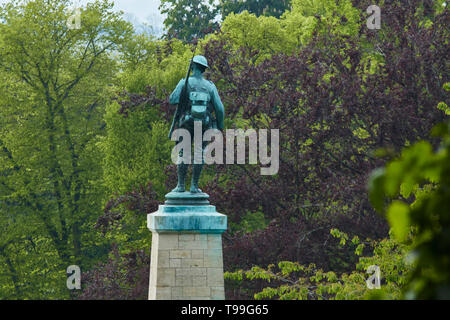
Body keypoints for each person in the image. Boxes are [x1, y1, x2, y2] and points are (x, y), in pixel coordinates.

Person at [169, 55, 225, 193]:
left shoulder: (184, 82)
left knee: (184, 152)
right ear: (204, 69)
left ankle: (181, 186)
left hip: (186, 122)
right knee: (200, 153)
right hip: (204, 123)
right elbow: (220, 109)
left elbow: (172, 99)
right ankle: (194, 186)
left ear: (193, 66)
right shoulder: (210, 86)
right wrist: (220, 125)